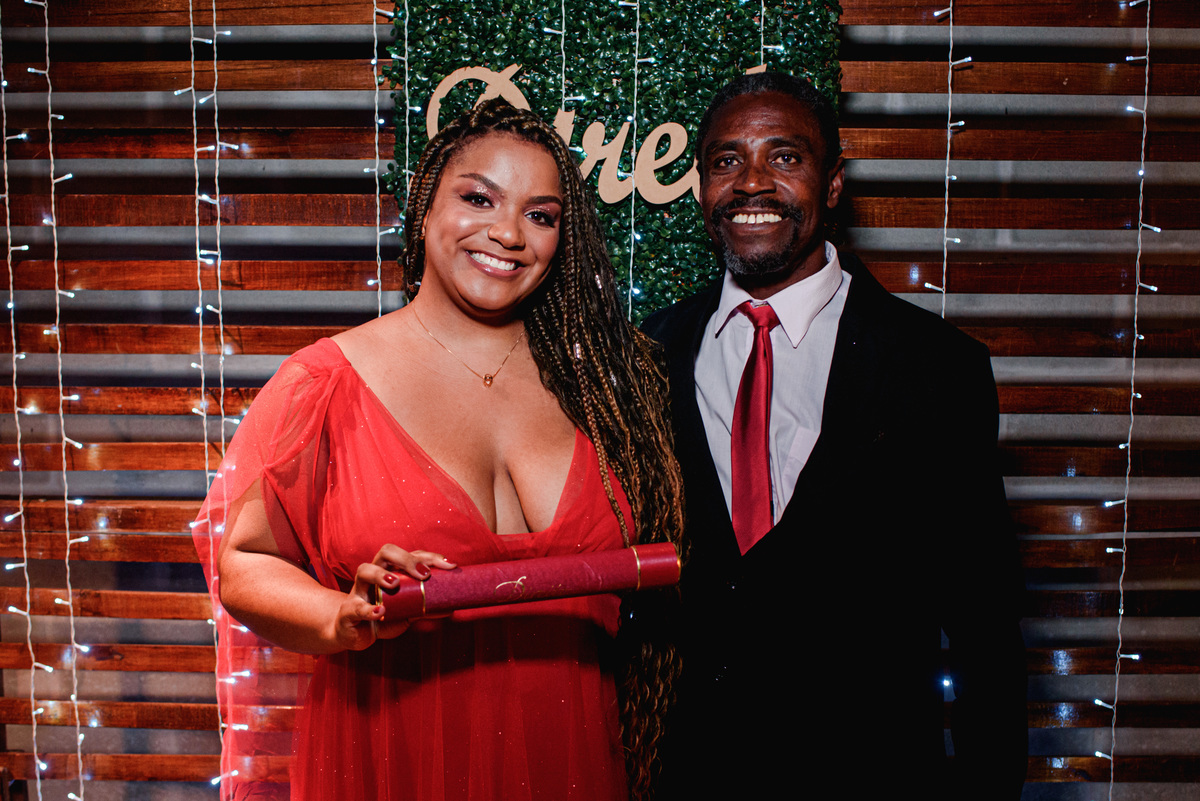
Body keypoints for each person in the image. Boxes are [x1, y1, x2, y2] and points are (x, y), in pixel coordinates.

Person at [192, 98, 684, 801]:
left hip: (569, 755)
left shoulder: (602, 388)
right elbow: (243, 563)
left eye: (541, 215)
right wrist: (343, 616)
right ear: (423, 209)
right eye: (479, 198)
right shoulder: (326, 382)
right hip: (392, 753)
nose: (508, 232)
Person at [642, 72, 1027, 798]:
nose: (752, 182)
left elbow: (986, 628)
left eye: (785, 157)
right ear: (700, 187)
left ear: (834, 183)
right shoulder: (646, 356)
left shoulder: (935, 368)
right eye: (726, 161)